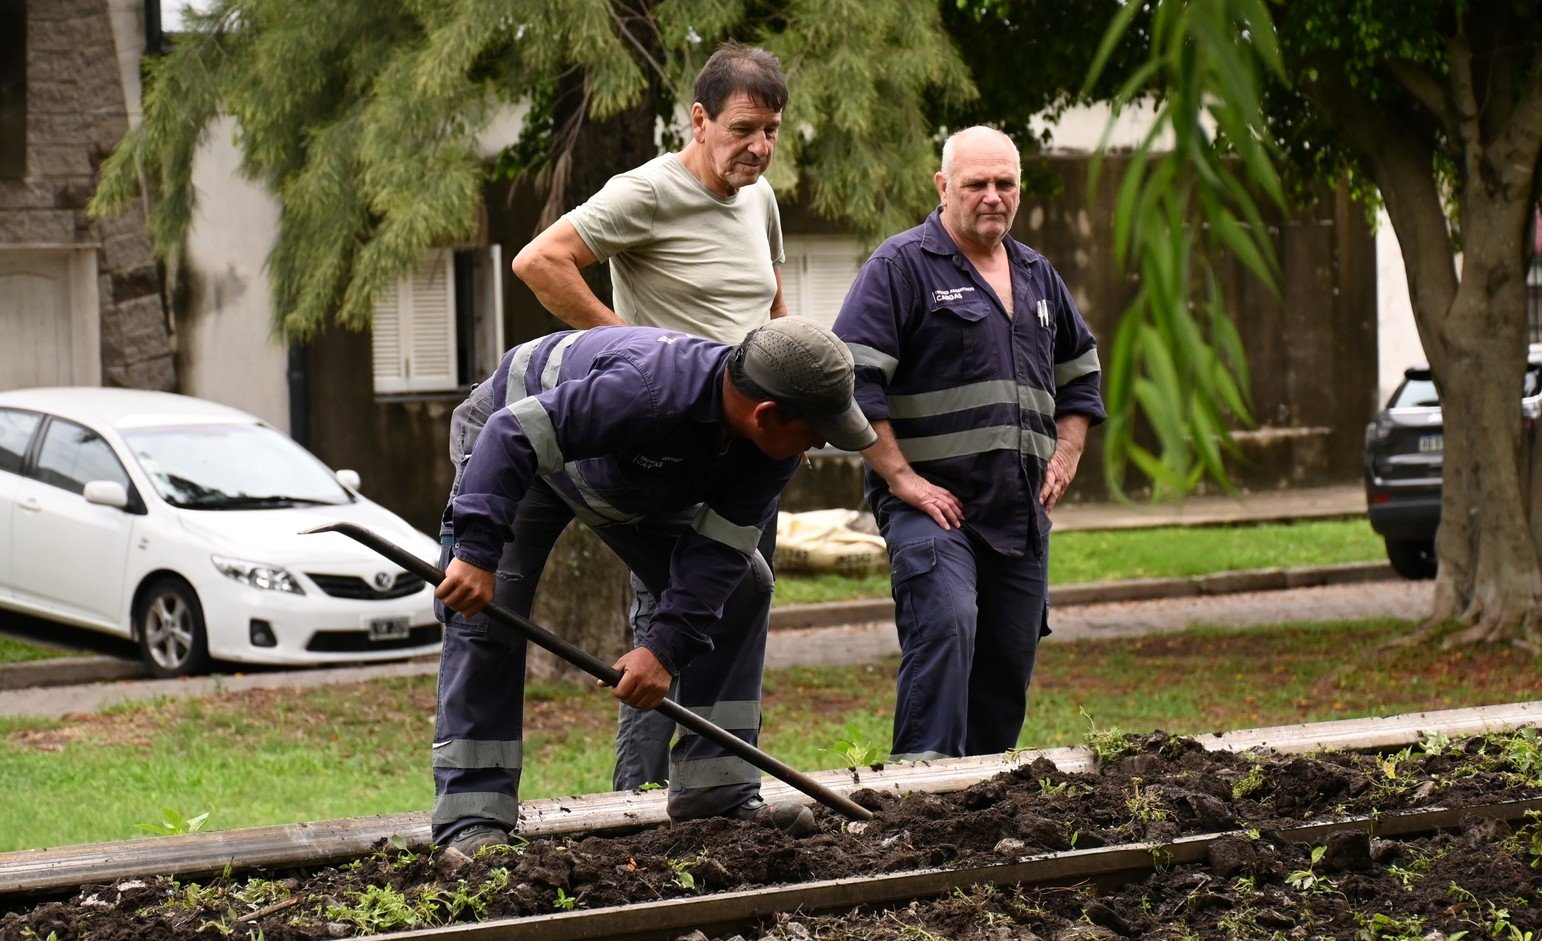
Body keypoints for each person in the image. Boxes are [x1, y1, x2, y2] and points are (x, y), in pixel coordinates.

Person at [431, 316, 875, 856]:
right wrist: (476, 552)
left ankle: (717, 792)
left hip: (621, 475)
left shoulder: (768, 450)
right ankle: (471, 819)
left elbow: (718, 556)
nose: (819, 446)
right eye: (814, 433)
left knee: (744, 586)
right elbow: (510, 435)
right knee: (487, 608)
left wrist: (662, 651)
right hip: (516, 442)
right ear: (767, 414)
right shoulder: (648, 393)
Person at [512, 42, 790, 792]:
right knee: (665, 625)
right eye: (741, 129)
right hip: (670, 454)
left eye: (770, 130)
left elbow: (771, 307)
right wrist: (628, 349)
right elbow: (540, 261)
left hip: (750, 451)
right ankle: (632, 796)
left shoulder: (759, 199)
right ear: (698, 120)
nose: (758, 147)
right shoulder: (645, 192)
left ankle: (723, 790)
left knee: (734, 615)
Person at [832, 126, 1106, 762]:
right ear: (942, 186)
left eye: (1003, 183)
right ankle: (917, 790)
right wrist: (901, 479)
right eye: (975, 184)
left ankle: (981, 802)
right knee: (947, 628)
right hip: (933, 509)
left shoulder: (1039, 275)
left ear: (1019, 188)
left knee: (1008, 664)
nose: (991, 197)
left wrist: (1066, 454)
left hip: (1018, 515)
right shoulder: (899, 268)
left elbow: (1081, 374)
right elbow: (850, 381)